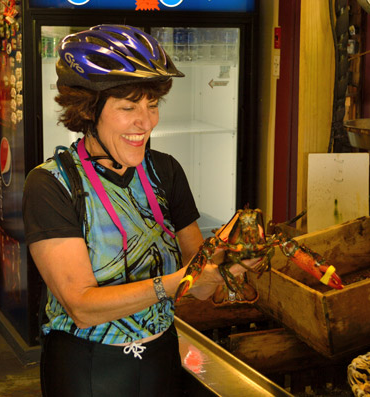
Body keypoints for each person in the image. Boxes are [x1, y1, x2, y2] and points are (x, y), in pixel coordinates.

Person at [23, 25, 257, 397]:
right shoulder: (52, 184)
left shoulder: (165, 171)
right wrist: (180, 280)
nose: (146, 123)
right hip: (88, 367)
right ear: (88, 111)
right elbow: (81, 306)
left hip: (162, 355)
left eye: (152, 106)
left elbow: (196, 281)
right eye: (128, 107)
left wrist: (228, 265)